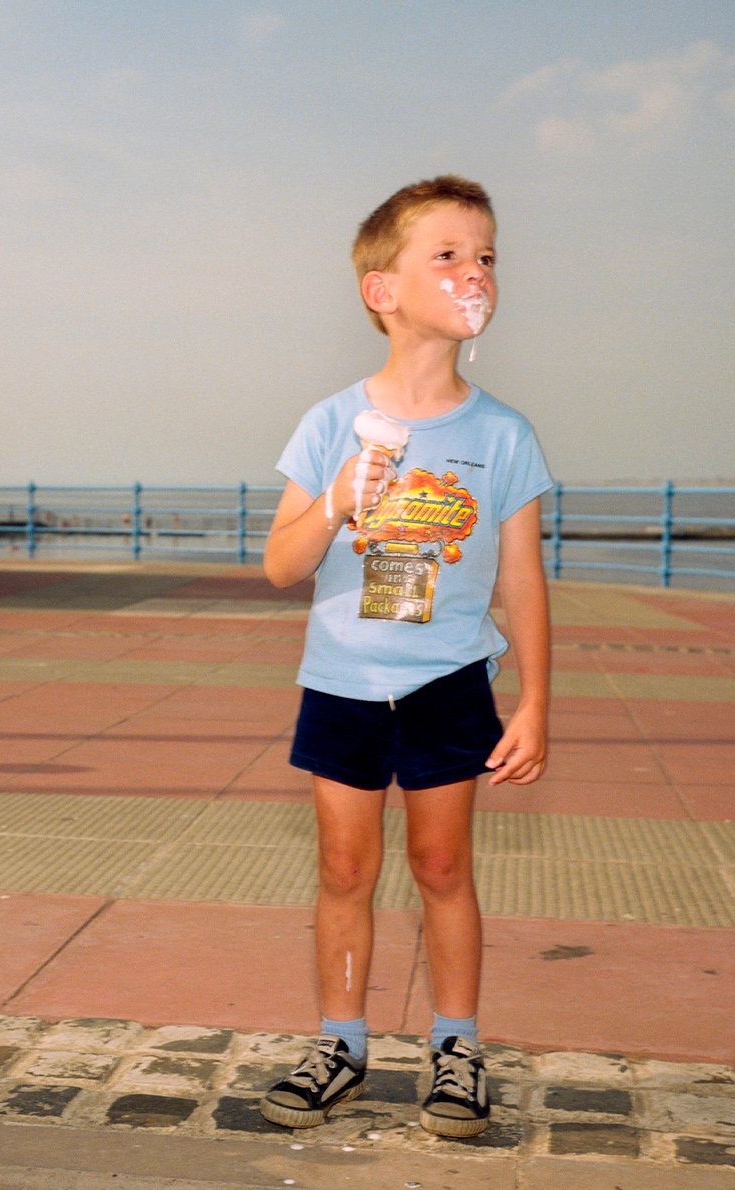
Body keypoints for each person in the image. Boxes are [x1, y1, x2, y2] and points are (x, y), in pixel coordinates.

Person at [258, 176, 552, 1139]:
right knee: (344, 869)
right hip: (341, 679)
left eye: (488, 256)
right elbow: (278, 565)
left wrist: (537, 702)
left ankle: (456, 1044)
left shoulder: (502, 434)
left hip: (449, 681)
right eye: (450, 255)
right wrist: (339, 496)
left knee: (441, 865)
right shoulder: (328, 422)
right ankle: (341, 1042)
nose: (476, 273)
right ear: (381, 291)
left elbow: (522, 579)